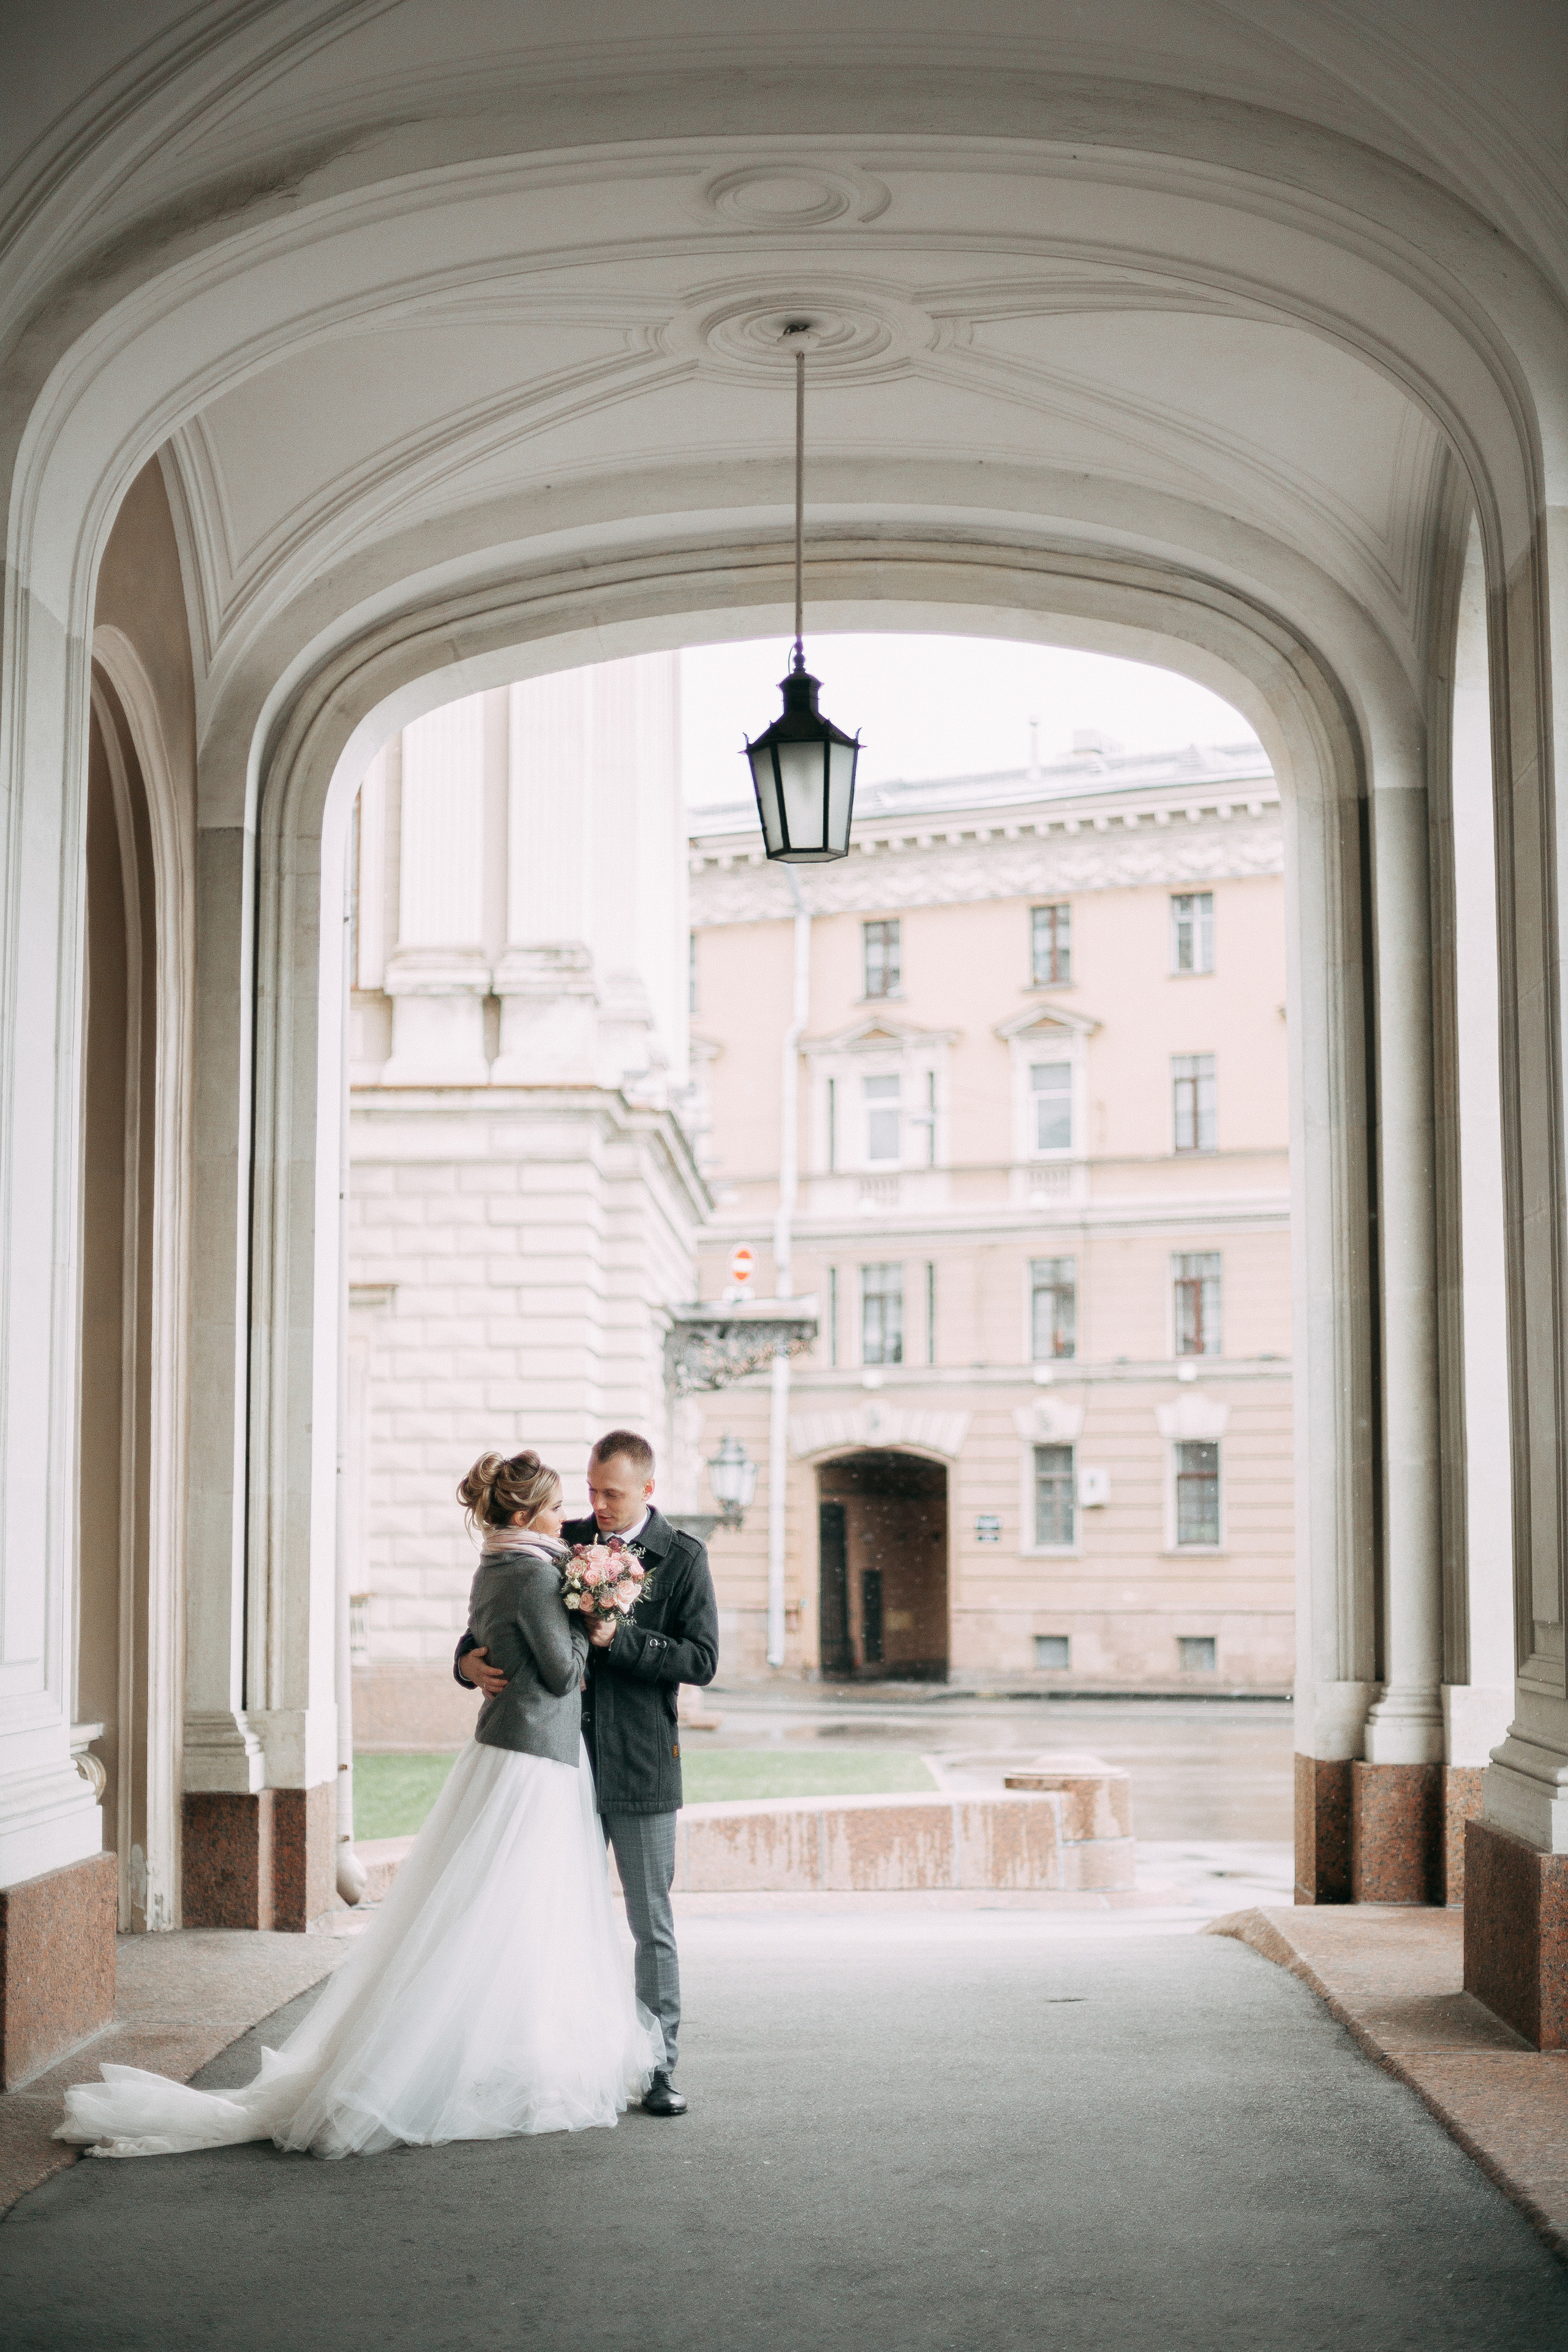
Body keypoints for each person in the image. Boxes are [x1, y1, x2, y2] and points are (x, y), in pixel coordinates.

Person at [56, 1450, 662, 2160]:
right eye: (556, 1508)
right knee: (512, 1911)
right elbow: (560, 1674)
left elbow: (493, 1643)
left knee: (502, 1911)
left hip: (516, 1752)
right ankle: (472, 2062)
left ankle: (507, 2051)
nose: (568, 1518)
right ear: (527, 1515)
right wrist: (592, 1624)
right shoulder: (532, 1574)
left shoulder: (500, 1564)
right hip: (533, 1759)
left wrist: (504, 1644)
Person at [458, 1428, 718, 2118]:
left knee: (649, 1921)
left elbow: (701, 1660)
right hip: (558, 1767)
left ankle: (658, 2067)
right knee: (550, 1914)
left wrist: (621, 1640)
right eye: (592, 1489)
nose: (597, 1506)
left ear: (648, 1490)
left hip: (639, 1762)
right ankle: (557, 2058)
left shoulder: (683, 1557)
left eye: (613, 1494)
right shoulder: (561, 1539)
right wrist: (465, 1662)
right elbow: (498, 1615)